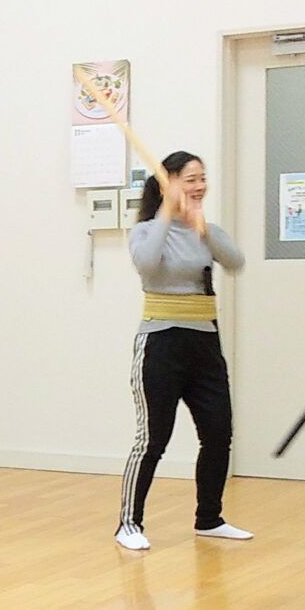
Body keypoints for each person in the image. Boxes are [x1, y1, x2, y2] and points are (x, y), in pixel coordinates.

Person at [119, 151, 252, 551]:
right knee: (152, 439)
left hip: (204, 344)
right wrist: (167, 212)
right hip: (161, 343)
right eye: (190, 179)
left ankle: (209, 519)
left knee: (218, 433)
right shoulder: (145, 230)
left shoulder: (205, 230)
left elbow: (235, 262)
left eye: (202, 178)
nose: (199, 186)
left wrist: (202, 228)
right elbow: (146, 265)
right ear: (169, 184)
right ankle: (129, 523)